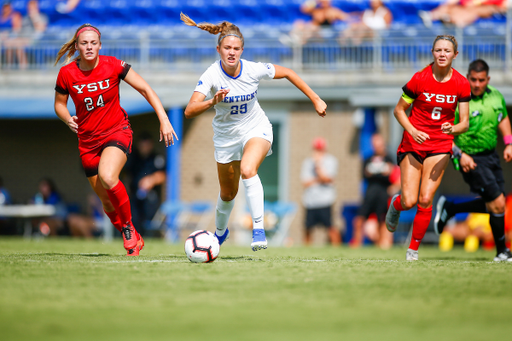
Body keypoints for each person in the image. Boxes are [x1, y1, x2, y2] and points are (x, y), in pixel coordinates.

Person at [181, 13, 327, 251]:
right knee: (228, 194)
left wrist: (316, 98)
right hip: (226, 137)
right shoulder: (211, 75)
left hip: (256, 128)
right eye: (227, 47)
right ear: (218, 49)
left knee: (248, 170)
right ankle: (219, 234)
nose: (232, 52)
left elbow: (289, 72)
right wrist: (212, 101)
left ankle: (258, 229)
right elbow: (189, 110)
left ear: (242, 50)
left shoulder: (253, 69)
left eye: (236, 48)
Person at [53, 24, 177, 256]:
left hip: (116, 132)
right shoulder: (67, 73)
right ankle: (130, 234)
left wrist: (164, 119)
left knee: (109, 177)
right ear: (77, 46)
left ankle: (129, 229)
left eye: (93, 43)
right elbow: (59, 104)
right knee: (106, 202)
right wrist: (66, 118)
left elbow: (146, 89)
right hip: (87, 142)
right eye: (84, 43)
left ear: (100, 45)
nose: (89, 47)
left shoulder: (114, 65)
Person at [385, 34, 470, 261]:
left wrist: (453, 129)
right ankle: (396, 203)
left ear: (455, 55)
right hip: (413, 143)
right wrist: (413, 131)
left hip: (441, 144)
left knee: (425, 199)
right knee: (409, 200)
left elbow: (464, 123)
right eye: (438, 50)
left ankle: (412, 250)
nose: (442, 54)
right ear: (432, 52)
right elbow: (399, 111)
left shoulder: (461, 83)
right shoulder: (420, 78)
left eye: (447, 51)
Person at [434, 59, 512, 261]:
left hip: (491, 156)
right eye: (473, 80)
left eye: (481, 80)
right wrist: (460, 154)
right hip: (469, 157)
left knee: (498, 205)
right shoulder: (458, 99)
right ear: (467, 77)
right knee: (497, 202)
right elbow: (442, 134)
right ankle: (502, 252)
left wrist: (509, 142)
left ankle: (451, 208)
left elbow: (502, 117)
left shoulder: (495, 95)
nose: (477, 84)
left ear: (488, 79)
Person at [351, 133, 394, 249]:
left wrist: (379, 173)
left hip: (383, 194)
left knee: (382, 220)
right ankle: (357, 243)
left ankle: (381, 243)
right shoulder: (368, 159)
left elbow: (390, 175)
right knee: (359, 219)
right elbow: (365, 175)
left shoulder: (389, 158)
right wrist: (380, 172)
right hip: (370, 194)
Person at [124, 131, 166, 235]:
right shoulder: (134, 158)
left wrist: (151, 179)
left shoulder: (156, 158)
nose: (144, 147)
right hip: (134, 196)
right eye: (142, 145)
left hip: (150, 197)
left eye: (147, 144)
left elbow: (163, 175)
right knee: (133, 219)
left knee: (149, 223)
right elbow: (127, 175)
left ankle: (149, 238)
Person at [301, 137, 340, 246]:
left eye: (320, 149)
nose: (317, 152)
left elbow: (328, 179)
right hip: (310, 200)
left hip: (325, 200)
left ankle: (337, 249)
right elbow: (305, 182)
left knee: (330, 227)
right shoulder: (307, 162)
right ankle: (306, 251)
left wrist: (318, 166)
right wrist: (319, 179)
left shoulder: (331, 161)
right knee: (308, 228)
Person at [419, 0, 507, 28]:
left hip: (477, 11)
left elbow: (504, 7)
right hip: (463, 8)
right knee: (450, 7)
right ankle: (432, 16)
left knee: (474, 10)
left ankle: (450, 19)